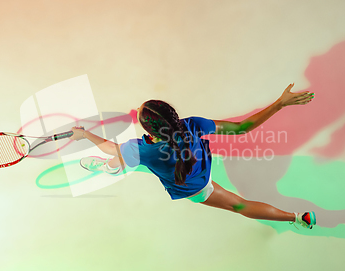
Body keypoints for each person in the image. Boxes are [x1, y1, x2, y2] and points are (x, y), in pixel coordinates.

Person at [69, 84, 316, 229]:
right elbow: (242, 128)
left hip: (194, 188)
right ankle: (297, 218)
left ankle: (109, 168)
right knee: (241, 204)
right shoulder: (193, 125)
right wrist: (279, 104)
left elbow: (111, 147)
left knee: (122, 157)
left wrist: (85, 135)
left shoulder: (142, 150)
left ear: (148, 130)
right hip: (201, 177)